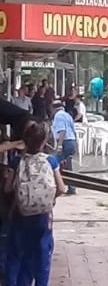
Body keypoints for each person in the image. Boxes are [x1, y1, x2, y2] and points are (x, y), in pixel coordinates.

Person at [3, 118, 67, 286]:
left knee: (16, 253)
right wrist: (50, 199)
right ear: (44, 141)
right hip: (42, 216)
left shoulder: (17, 161)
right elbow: (61, 188)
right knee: (42, 255)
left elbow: (7, 189)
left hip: (20, 213)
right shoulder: (51, 161)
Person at [50, 101, 76, 195]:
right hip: (71, 141)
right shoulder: (67, 115)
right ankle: (71, 187)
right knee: (68, 165)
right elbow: (73, 130)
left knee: (53, 163)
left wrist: (59, 146)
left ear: (54, 108)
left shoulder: (58, 116)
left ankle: (56, 186)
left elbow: (62, 131)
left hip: (65, 142)